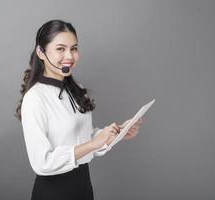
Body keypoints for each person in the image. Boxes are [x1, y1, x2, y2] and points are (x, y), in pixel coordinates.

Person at [15, 19, 143, 200]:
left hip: (82, 185)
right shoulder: (35, 98)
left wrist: (117, 133)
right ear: (41, 52)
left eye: (74, 48)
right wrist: (92, 145)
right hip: (54, 192)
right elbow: (41, 163)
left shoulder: (74, 89)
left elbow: (84, 138)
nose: (69, 56)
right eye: (60, 49)